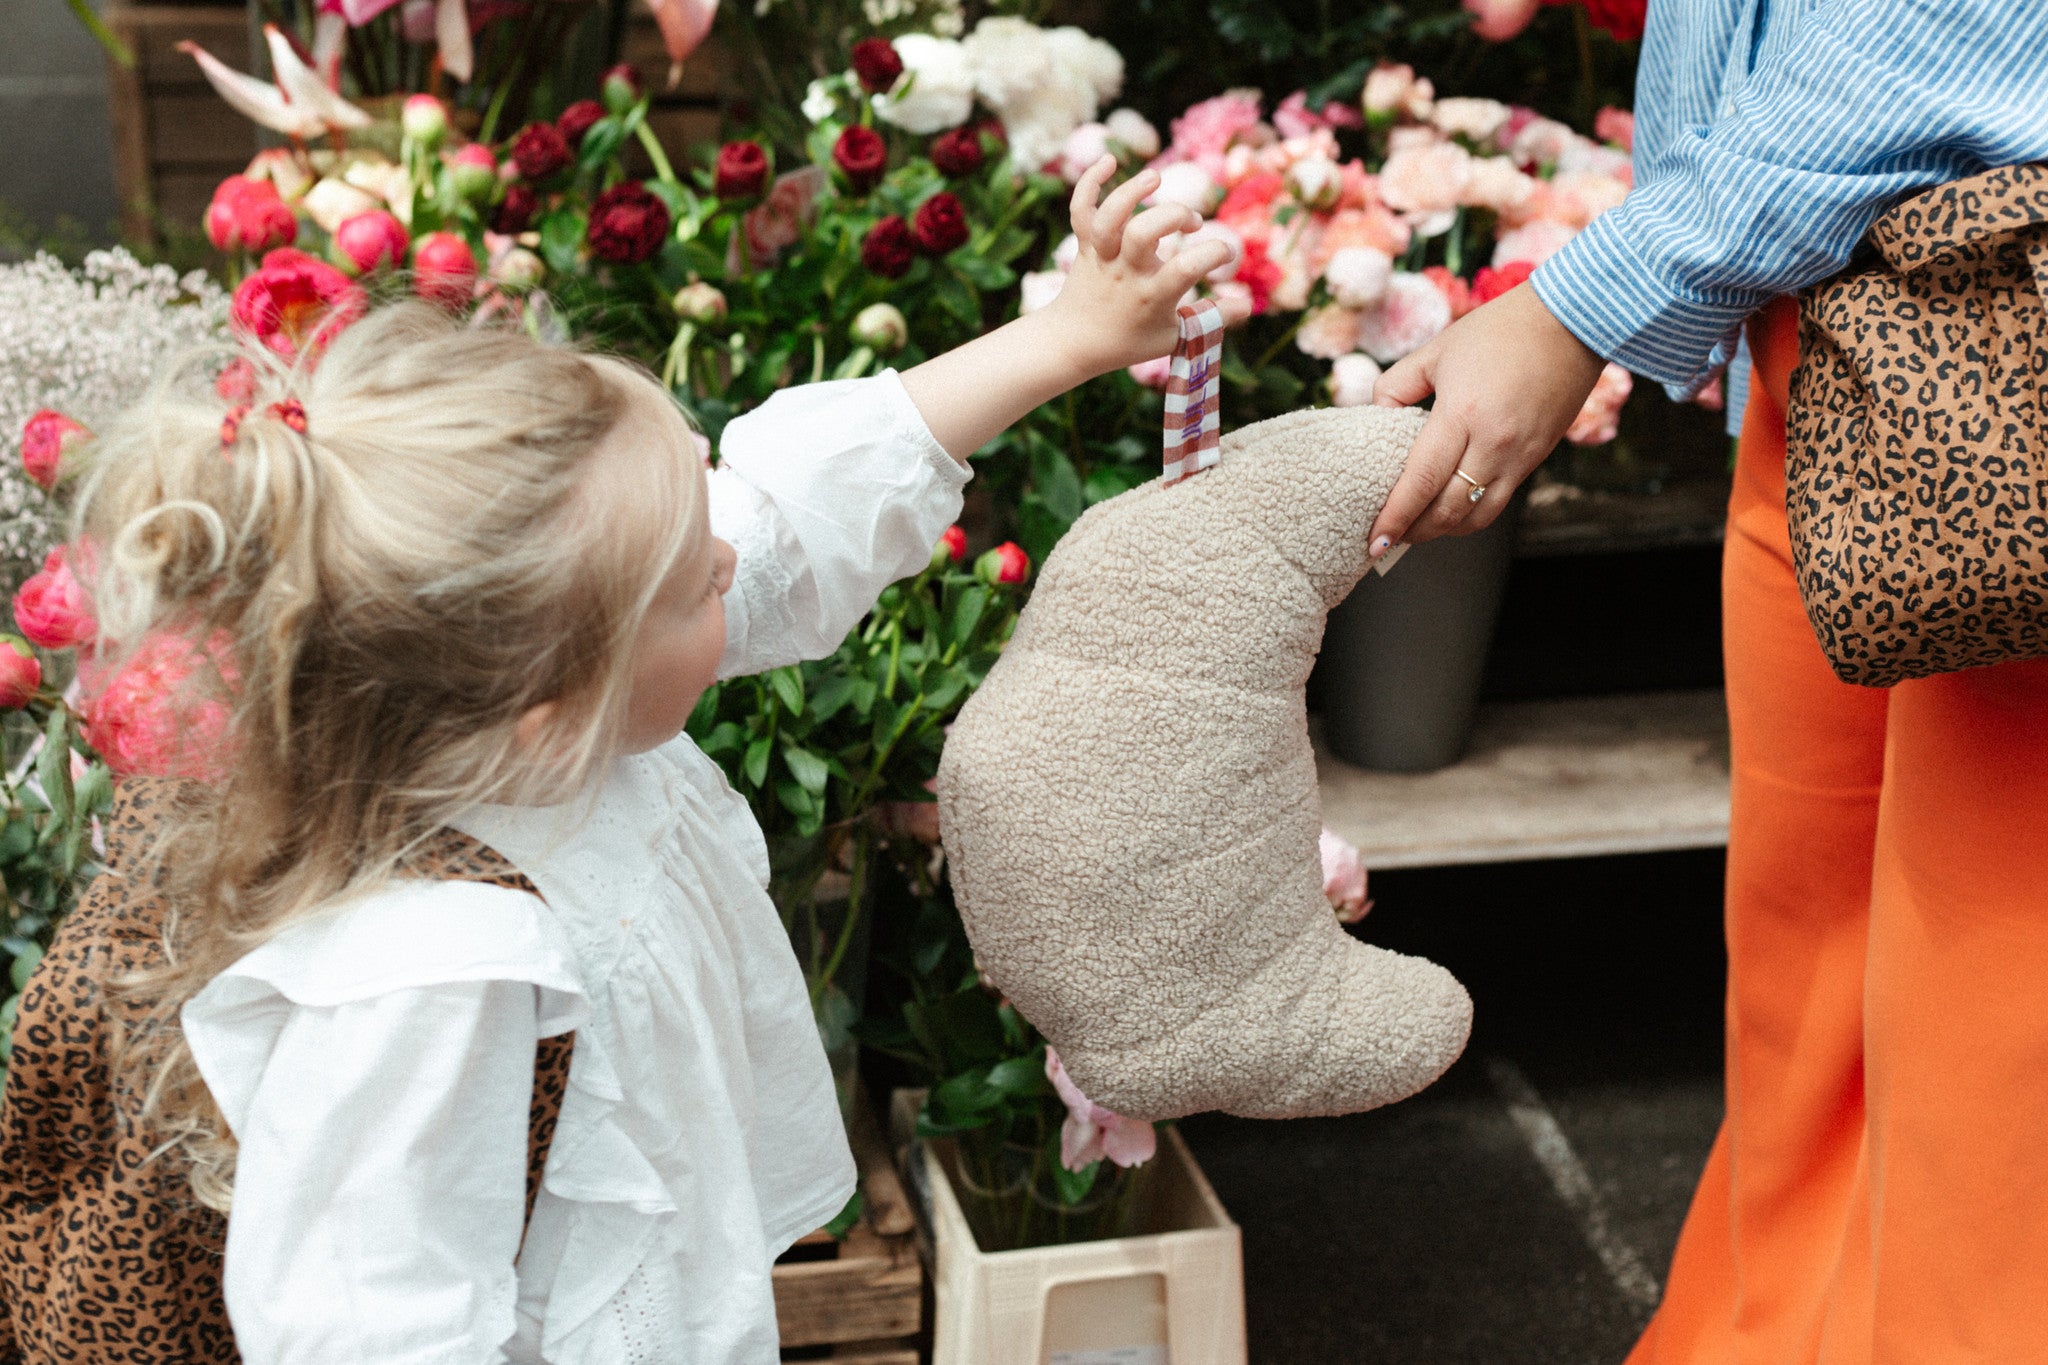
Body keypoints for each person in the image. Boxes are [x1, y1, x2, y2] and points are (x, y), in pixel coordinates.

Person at [0, 158, 1240, 1365]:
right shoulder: (424, 966)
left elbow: (790, 517)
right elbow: (366, 1321)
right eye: (697, 578)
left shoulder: (524, 690)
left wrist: (1071, 335)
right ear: (550, 701)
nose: (730, 559)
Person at [1362, 4, 2048, 1359]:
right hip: (1841, 323)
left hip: (2003, 333)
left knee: (1991, 1050)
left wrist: (1580, 308)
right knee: (1814, 999)